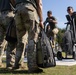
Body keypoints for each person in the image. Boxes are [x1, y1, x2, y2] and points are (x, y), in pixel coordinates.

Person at [14, 0, 44, 73]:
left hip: (17, 11)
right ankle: (32, 66)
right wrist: (41, 20)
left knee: (20, 40)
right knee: (32, 39)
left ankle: (17, 64)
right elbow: (39, 3)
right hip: (29, 9)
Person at [0, 0, 16, 69]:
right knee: (11, 40)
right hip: (9, 14)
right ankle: (10, 64)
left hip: (1, 15)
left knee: (1, 42)